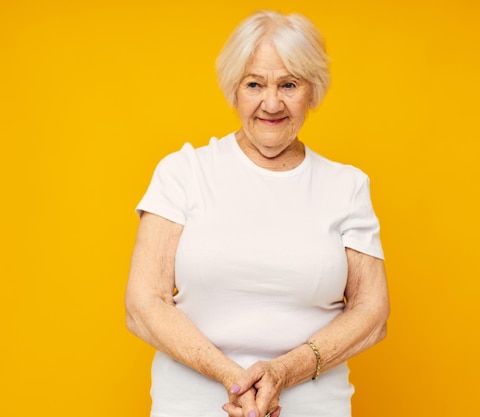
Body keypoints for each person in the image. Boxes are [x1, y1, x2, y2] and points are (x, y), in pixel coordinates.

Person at [125, 9, 389, 417]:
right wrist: (234, 379)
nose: (271, 103)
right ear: (234, 89)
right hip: (193, 407)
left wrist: (283, 371)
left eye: (288, 84)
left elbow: (371, 313)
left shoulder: (347, 186)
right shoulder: (183, 172)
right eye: (254, 84)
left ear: (312, 91)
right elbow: (144, 305)